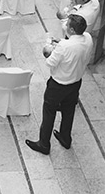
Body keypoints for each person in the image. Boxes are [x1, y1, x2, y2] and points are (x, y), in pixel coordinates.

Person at [25, 13, 94, 154]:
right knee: (69, 111)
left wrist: (50, 50)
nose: (65, 26)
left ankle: (44, 143)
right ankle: (65, 137)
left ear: (72, 30)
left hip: (58, 85)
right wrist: (61, 43)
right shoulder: (88, 38)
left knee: (49, 112)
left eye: (67, 24)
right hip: (75, 83)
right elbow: (74, 45)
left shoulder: (64, 46)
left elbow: (50, 62)